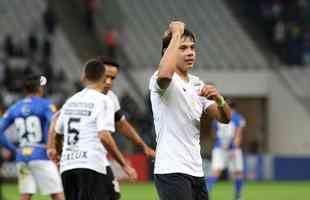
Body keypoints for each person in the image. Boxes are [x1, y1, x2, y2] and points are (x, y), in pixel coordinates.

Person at [149, 21, 231, 200]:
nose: (190, 52)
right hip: (171, 170)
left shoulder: (197, 84)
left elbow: (225, 118)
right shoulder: (161, 79)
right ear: (167, 52)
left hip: (195, 170)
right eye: (183, 48)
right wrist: (176, 32)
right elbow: (164, 75)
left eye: (192, 48)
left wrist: (220, 100)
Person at [52, 58, 137, 200]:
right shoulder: (104, 100)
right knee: (111, 194)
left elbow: (58, 132)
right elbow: (103, 135)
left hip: (68, 167)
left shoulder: (71, 101)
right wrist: (124, 164)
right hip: (90, 164)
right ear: (104, 78)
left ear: (83, 77)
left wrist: (60, 155)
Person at [0, 74, 64, 200]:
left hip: (22, 156)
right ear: (40, 89)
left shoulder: (15, 107)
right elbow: (55, 124)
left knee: (25, 195)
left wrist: (13, 148)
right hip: (41, 155)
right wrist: (57, 147)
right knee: (57, 194)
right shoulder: (46, 104)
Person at [207, 101, 246, 200]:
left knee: (215, 172)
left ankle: (205, 195)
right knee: (238, 172)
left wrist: (220, 142)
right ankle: (238, 197)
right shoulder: (238, 118)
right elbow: (238, 134)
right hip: (232, 148)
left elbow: (214, 133)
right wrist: (234, 148)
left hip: (220, 147)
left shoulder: (218, 116)